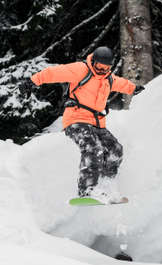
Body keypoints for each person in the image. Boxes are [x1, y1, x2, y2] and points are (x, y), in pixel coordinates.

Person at [30, 46, 145, 199]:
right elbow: (54, 73)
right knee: (93, 148)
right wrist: (33, 81)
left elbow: (121, 83)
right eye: (99, 66)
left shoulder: (108, 78)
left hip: (97, 124)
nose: (102, 70)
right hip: (76, 120)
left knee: (116, 149)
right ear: (94, 62)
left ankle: (106, 184)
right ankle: (87, 190)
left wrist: (134, 88)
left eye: (106, 68)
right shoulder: (80, 70)